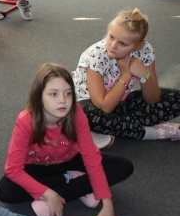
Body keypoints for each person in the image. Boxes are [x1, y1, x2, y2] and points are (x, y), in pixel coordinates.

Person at [0, 63, 133, 216]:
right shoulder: (26, 120)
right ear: (39, 96)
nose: (62, 100)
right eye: (53, 94)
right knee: (5, 191)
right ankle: (74, 182)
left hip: (70, 159)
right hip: (37, 166)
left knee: (123, 166)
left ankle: (66, 188)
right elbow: (12, 169)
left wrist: (108, 205)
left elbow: (91, 157)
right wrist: (48, 193)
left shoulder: (76, 114)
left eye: (68, 93)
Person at [73, 8, 180, 142]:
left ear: (138, 46)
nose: (113, 46)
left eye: (123, 43)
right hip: (93, 106)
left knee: (176, 98)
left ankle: (116, 126)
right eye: (111, 37)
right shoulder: (95, 56)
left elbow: (153, 99)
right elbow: (104, 107)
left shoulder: (145, 51)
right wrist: (126, 76)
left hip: (121, 102)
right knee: (87, 116)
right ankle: (152, 132)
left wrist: (144, 75)